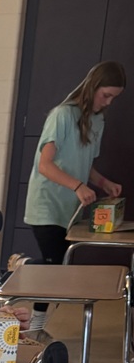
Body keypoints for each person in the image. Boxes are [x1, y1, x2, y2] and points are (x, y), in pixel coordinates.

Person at [23, 60, 126, 332]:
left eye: (114, 98)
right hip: (46, 203)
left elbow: (84, 164)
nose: (108, 102)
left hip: (69, 208)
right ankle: (35, 323)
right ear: (93, 87)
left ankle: (28, 279)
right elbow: (45, 165)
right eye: (106, 95)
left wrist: (105, 183)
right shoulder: (61, 115)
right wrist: (78, 186)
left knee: (58, 266)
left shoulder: (97, 120)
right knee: (54, 267)